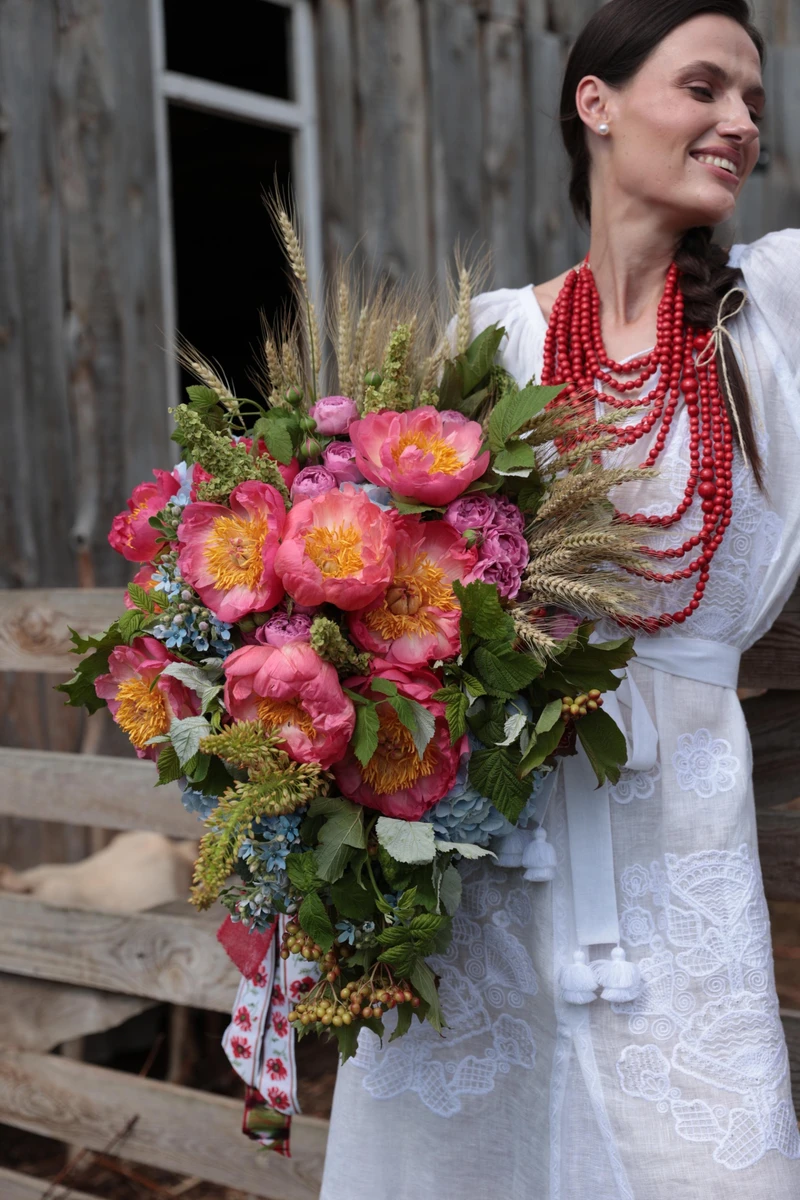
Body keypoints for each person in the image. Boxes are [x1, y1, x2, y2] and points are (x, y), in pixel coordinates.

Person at [320, 2, 800, 1195]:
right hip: (497, 840)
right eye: (702, 89)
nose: (739, 123)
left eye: (752, 100)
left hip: (679, 834)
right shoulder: (485, 344)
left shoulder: (775, 308)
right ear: (596, 103)